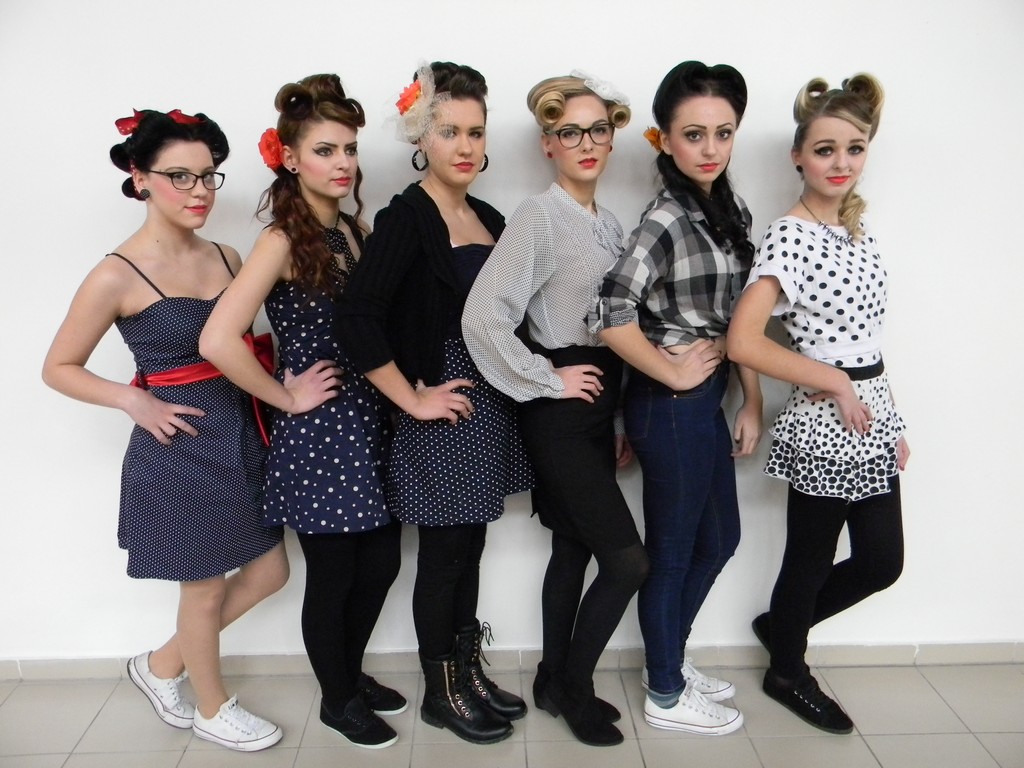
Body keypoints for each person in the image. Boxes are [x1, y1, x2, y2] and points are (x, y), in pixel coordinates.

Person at [42, 108, 290, 752]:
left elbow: (243, 346)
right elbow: (58, 368)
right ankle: (212, 708)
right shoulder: (116, 274)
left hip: (242, 432)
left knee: (270, 572)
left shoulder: (227, 255)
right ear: (140, 178)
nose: (199, 191)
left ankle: (159, 665)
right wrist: (132, 399)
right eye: (179, 176)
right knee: (202, 589)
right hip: (177, 447)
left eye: (208, 176)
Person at [198, 74, 405, 749]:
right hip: (318, 431)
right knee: (336, 574)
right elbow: (217, 339)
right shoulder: (282, 240)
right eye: (325, 150)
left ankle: (348, 673)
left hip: (367, 418)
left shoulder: (353, 229)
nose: (343, 163)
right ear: (290, 159)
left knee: (380, 562)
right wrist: (286, 395)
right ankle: (338, 700)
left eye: (349, 149)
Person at [337, 61, 532, 745]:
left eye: (476, 132)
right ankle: (440, 693)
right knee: (445, 552)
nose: (465, 146)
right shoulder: (405, 217)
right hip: (440, 401)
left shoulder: (489, 217)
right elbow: (357, 317)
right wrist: (411, 399)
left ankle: (468, 675)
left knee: (470, 546)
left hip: (488, 401)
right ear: (422, 137)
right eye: (449, 132)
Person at [463, 72, 656, 747]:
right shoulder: (538, 217)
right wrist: (545, 377)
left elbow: (618, 332)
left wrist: (621, 420)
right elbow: (483, 316)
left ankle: (552, 679)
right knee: (628, 562)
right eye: (569, 132)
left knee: (574, 547)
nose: (586, 142)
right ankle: (574, 686)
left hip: (598, 408)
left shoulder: (609, 223)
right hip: (559, 415)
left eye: (597, 129)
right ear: (548, 143)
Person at [727, 73, 908, 734]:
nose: (841, 162)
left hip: (872, 413)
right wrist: (831, 381)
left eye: (854, 148)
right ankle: (786, 670)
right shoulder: (790, 236)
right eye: (826, 149)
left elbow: (866, 340)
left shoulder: (859, 230)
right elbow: (743, 339)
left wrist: (892, 418)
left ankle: (781, 627)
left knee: (881, 562)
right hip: (826, 423)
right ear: (798, 156)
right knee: (809, 557)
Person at [588, 60, 756, 736]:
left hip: (706, 401)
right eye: (694, 134)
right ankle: (664, 690)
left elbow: (742, 319)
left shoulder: (729, 210)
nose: (710, 148)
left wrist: (750, 400)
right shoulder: (665, 217)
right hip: (670, 407)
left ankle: (671, 659)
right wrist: (671, 371)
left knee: (721, 537)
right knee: (676, 549)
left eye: (723, 132)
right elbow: (610, 311)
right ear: (664, 139)